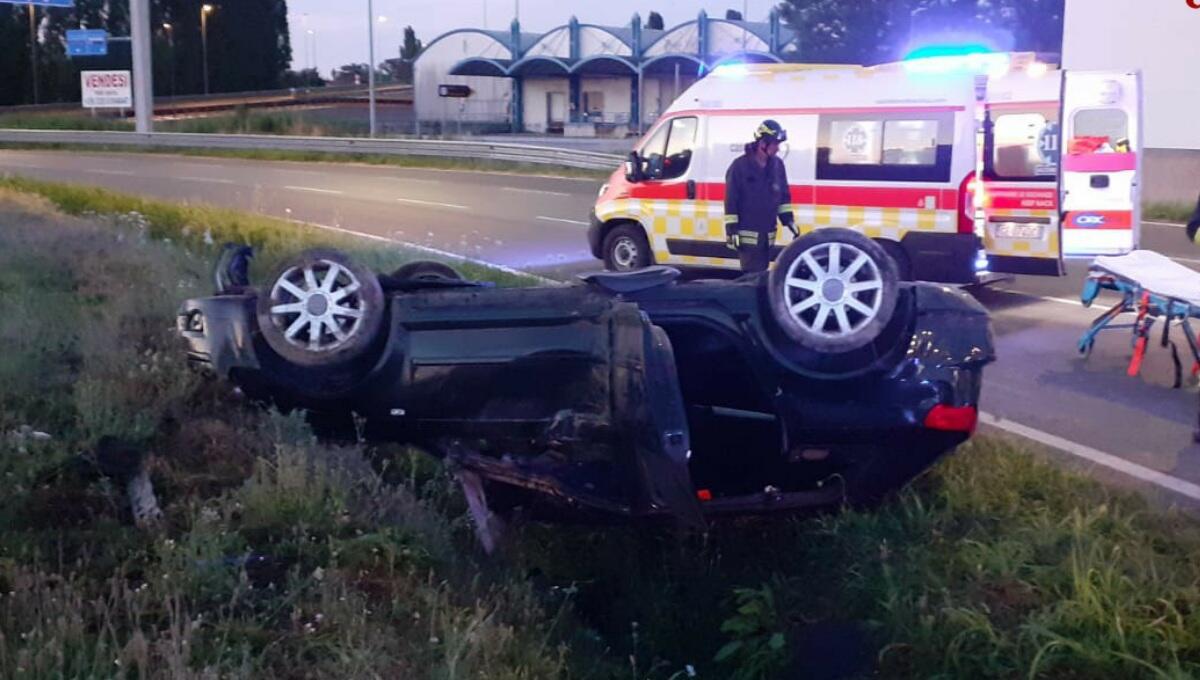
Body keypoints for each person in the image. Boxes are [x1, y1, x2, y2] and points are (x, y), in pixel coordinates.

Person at [723, 119, 798, 273]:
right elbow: (731, 201)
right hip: (747, 235)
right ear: (763, 143)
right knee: (751, 276)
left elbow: (783, 197)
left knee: (763, 274)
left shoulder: (777, 165)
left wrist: (789, 221)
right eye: (775, 144)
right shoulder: (740, 166)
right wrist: (732, 230)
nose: (778, 148)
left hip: (768, 234)